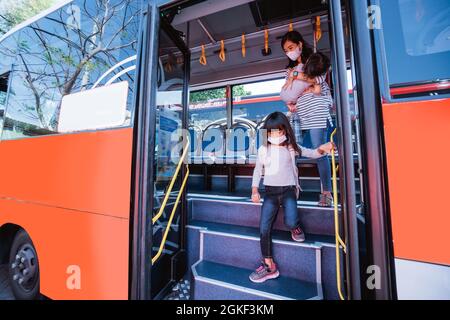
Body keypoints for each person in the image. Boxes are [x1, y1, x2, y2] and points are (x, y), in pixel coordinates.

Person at [249, 112, 333, 283]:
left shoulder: (291, 147)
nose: (275, 135)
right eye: (271, 132)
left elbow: (312, 153)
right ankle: (269, 266)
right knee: (264, 228)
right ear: (267, 132)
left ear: (285, 130)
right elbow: (258, 170)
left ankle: (296, 227)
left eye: (279, 131)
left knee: (290, 222)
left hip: (288, 191)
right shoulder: (263, 149)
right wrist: (254, 190)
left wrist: (324, 147)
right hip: (270, 194)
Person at [281, 31, 334, 207]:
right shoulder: (289, 69)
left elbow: (318, 79)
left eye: (291, 47)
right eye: (286, 50)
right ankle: (290, 188)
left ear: (300, 44)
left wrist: (297, 76)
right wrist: (290, 103)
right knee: (291, 151)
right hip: (299, 112)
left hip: (317, 109)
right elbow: (288, 91)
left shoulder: (313, 60)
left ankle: (326, 193)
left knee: (320, 151)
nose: (289, 52)